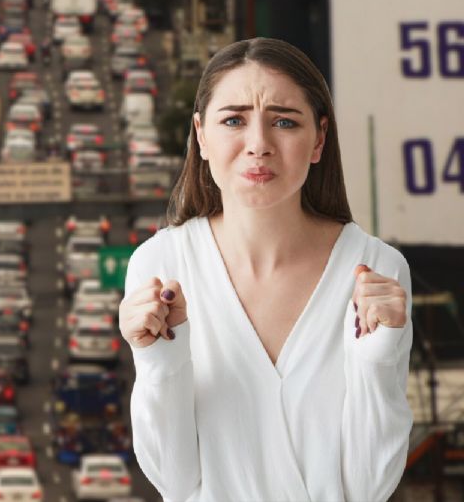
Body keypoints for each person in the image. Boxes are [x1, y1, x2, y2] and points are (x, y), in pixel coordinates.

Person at [120, 38, 412, 501]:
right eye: (234, 120)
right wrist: (158, 361)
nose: (259, 145)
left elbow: (369, 486)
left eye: (284, 122)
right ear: (200, 136)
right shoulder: (160, 267)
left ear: (318, 139)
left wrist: (377, 358)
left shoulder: (376, 270)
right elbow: (173, 480)